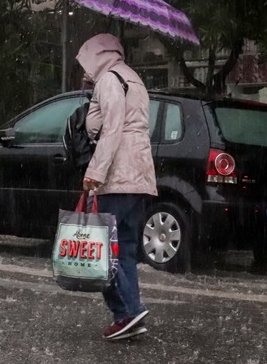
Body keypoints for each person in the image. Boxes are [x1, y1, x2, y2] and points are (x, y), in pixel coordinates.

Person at [75, 33, 157, 341]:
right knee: (124, 248)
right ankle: (128, 315)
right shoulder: (132, 78)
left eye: (86, 61)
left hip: (117, 175)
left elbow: (111, 130)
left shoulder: (109, 80)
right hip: (139, 176)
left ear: (96, 55)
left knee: (102, 250)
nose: (85, 68)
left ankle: (128, 311)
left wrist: (94, 172)